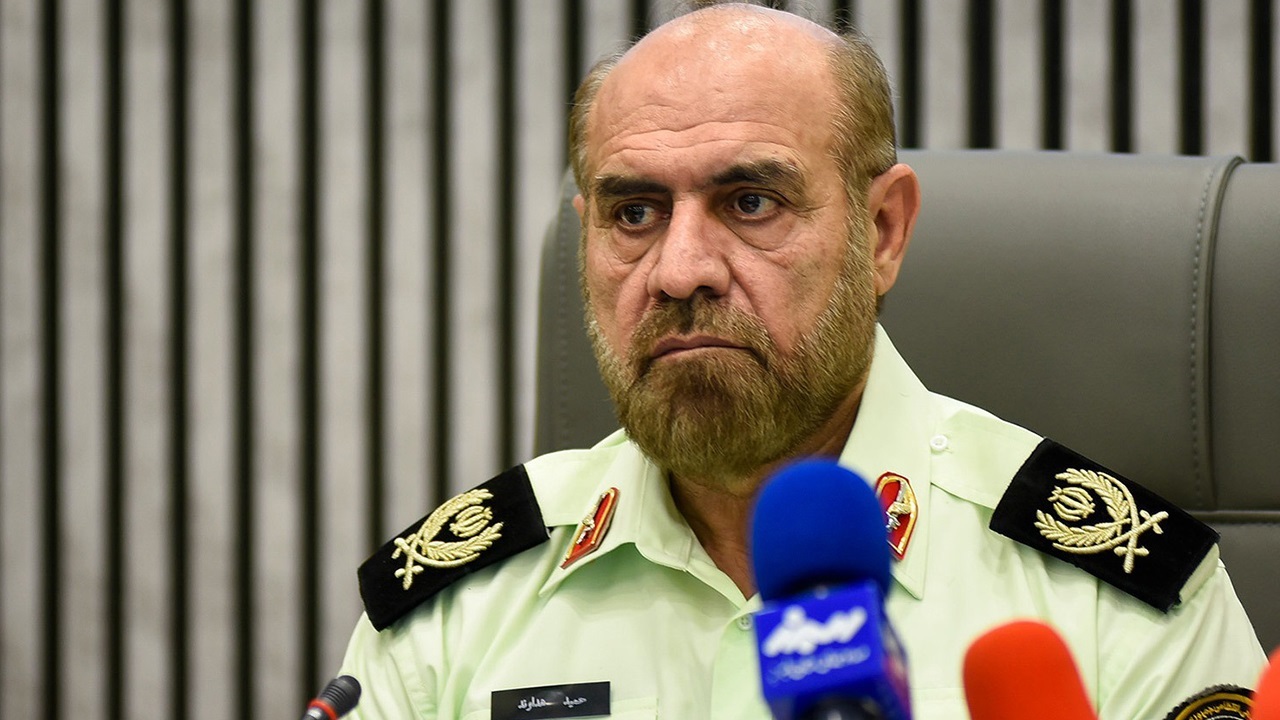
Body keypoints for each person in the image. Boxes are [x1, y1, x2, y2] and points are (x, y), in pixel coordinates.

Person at [340, 4, 1265, 718]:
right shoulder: (460, 606)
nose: (680, 270)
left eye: (751, 203)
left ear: (883, 231)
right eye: (634, 214)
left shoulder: (1105, 595)